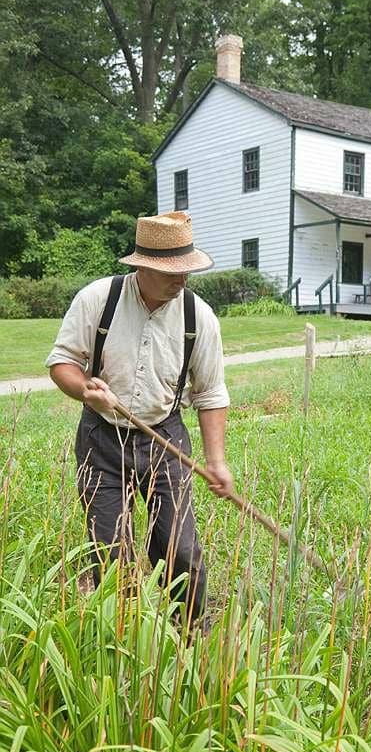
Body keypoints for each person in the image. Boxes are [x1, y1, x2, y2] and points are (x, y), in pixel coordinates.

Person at [46, 211, 234, 621]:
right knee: (110, 550)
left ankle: (190, 637)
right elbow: (62, 362)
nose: (181, 279)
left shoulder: (199, 317)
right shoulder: (98, 299)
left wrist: (216, 462)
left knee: (178, 549)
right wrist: (84, 390)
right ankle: (121, 639)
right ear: (143, 266)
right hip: (101, 439)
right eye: (171, 270)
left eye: (186, 269)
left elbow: (211, 392)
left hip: (164, 438)